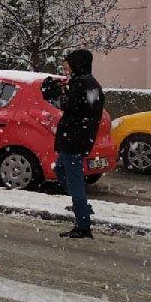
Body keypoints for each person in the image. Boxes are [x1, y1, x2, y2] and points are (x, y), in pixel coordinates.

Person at [42, 49, 105, 239]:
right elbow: (90, 109)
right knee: (61, 170)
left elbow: (70, 106)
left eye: (67, 62)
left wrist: (53, 95)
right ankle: (81, 205)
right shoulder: (91, 84)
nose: (64, 65)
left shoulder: (81, 84)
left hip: (73, 140)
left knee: (75, 180)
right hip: (79, 138)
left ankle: (83, 225)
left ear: (77, 63)